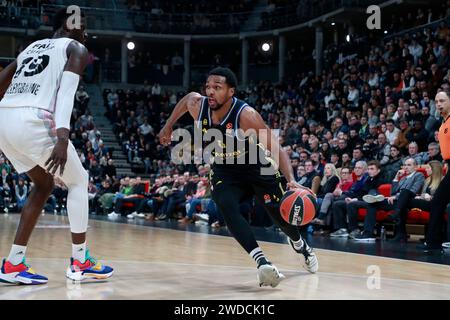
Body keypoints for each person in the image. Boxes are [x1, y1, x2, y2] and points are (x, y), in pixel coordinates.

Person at [159, 67, 318, 287]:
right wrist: (168, 126)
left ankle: (300, 244)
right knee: (225, 205)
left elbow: (275, 146)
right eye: (208, 87)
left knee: (281, 218)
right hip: (225, 169)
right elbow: (186, 100)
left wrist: (290, 178)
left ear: (231, 91)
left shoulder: (246, 115)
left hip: (256, 165)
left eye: (217, 87)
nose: (210, 91)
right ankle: (262, 263)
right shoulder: (198, 105)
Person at [0, 7, 113, 284]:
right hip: (34, 120)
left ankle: (13, 264)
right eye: (81, 24)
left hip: (4, 119)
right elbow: (66, 96)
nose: (85, 31)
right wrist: (62, 138)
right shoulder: (76, 48)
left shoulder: (32, 47)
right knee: (78, 180)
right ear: (68, 25)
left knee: (44, 184)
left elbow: (2, 81)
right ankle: (80, 261)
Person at [420, 90, 450, 253]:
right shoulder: (443, 124)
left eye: (443, 101)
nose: (439, 104)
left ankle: (433, 244)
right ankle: (433, 243)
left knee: (437, 203)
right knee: (438, 203)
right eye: (437, 101)